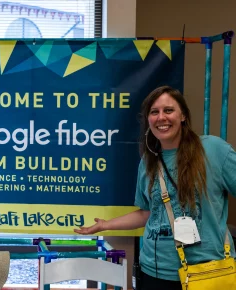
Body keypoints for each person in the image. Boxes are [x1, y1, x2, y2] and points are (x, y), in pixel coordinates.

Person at [74, 86, 236, 290]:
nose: (161, 117)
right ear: (148, 120)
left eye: (168, 110)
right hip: (154, 271)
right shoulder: (148, 162)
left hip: (207, 271)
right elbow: (146, 213)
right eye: (154, 112)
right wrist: (105, 225)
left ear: (183, 115)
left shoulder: (214, 149)